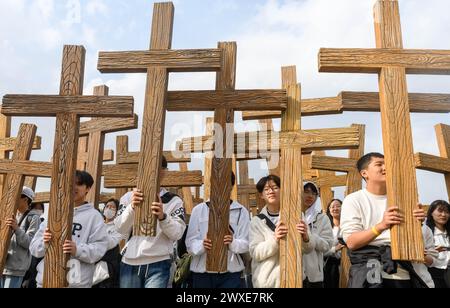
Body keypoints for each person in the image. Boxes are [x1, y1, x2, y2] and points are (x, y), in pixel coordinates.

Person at [340, 153, 430, 288]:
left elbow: (416, 240)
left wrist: (417, 225)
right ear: (364, 173)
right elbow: (351, 242)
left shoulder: (404, 200)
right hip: (369, 273)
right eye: (379, 164)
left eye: (387, 163)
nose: (385, 167)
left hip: (404, 273)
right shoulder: (353, 200)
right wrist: (381, 226)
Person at [115, 156, 186, 288]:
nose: (151, 172)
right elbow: (120, 228)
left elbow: (177, 234)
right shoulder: (128, 197)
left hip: (159, 261)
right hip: (129, 261)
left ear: (164, 171)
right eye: (146, 168)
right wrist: (132, 208)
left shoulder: (174, 200)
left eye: (158, 168)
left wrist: (163, 217)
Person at [30, 171, 109, 288]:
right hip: (46, 280)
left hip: (76, 283)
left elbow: (100, 248)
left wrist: (77, 249)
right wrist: (44, 242)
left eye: (79, 184)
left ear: (87, 188)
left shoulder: (94, 216)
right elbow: (33, 248)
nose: (74, 187)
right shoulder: (53, 213)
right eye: (71, 183)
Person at [186, 173, 250, 289]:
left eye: (225, 183)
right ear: (211, 185)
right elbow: (189, 244)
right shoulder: (198, 210)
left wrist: (232, 242)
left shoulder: (241, 211)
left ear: (231, 186)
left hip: (231, 273)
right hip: (202, 273)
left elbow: (246, 244)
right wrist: (202, 244)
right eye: (216, 182)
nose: (220, 186)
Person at [249, 175, 313, 288]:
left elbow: (308, 250)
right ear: (261, 195)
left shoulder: (297, 215)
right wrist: (275, 239)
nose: (271, 191)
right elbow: (255, 253)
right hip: (268, 283)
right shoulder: (256, 221)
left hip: (294, 279)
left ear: (282, 190)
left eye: (274, 187)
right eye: (266, 189)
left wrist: (306, 238)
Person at [0, 187, 41, 288]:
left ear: (25, 199)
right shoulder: (9, 214)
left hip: (15, 269)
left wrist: (16, 229)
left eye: (16, 196)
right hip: (2, 264)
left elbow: (30, 244)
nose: (12, 199)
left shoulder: (34, 218)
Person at [302, 182, 334, 288]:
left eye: (314, 193)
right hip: (292, 270)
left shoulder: (322, 218)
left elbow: (328, 245)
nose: (310, 196)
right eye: (306, 192)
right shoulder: (289, 215)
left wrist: (310, 237)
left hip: (314, 274)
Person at [93, 199, 124, 288]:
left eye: (113, 207)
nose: (109, 208)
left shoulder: (118, 227)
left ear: (117, 211)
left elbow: (110, 244)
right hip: (92, 264)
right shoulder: (97, 225)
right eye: (107, 206)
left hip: (107, 267)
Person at [426, 200, 450, 288]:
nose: (443, 215)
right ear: (431, 213)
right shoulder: (427, 233)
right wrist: (433, 251)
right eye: (440, 211)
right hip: (436, 275)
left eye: (447, 212)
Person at [324, 199, 344, 288]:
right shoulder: (326, 229)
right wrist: (334, 249)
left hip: (347, 265)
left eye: (338, 206)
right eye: (332, 207)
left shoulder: (349, 227)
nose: (335, 208)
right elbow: (321, 250)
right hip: (330, 266)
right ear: (329, 210)